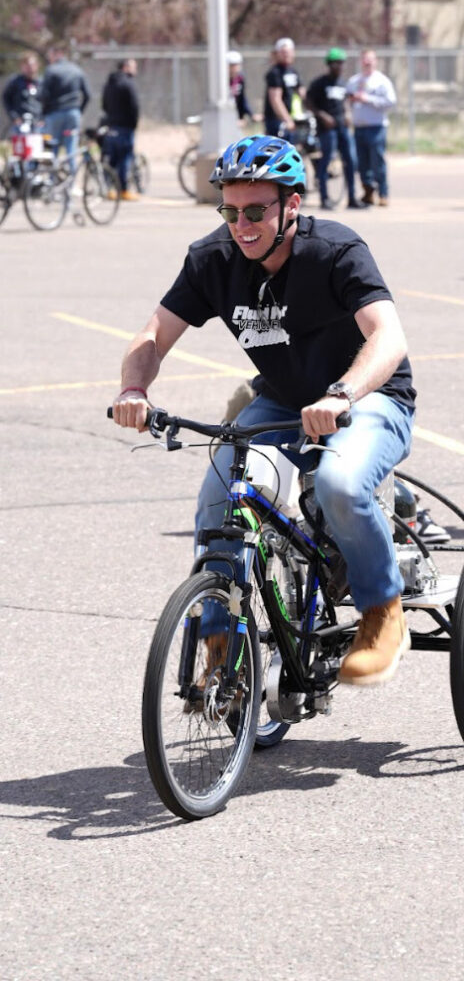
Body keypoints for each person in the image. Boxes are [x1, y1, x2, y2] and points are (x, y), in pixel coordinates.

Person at [111, 134, 416, 686]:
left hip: (368, 398)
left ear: (292, 204)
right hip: (281, 399)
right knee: (218, 500)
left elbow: (388, 337)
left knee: (340, 486)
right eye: (230, 209)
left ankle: (382, 612)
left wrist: (340, 394)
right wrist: (134, 390)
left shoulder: (335, 251)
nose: (241, 223)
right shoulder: (213, 260)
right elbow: (153, 334)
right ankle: (221, 643)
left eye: (256, 210)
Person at [306, 47, 364, 210]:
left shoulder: (343, 83)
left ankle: (352, 197)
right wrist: (323, 116)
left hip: (342, 127)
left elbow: (345, 100)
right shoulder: (319, 83)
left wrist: (347, 113)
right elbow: (309, 103)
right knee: (326, 161)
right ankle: (324, 198)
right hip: (327, 129)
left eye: (341, 63)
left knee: (350, 161)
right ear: (329, 64)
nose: (339, 66)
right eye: (336, 63)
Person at [347, 49, 396, 207]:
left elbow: (390, 101)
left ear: (376, 61)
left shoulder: (382, 81)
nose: (367, 63)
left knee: (377, 161)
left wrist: (367, 99)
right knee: (362, 163)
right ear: (361, 61)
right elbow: (346, 100)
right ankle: (368, 192)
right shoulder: (354, 81)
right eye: (365, 60)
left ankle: (383, 193)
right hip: (359, 127)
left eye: (370, 60)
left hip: (376, 127)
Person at [39, 43, 91, 163]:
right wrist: (79, 111)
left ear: (57, 54)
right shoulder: (77, 70)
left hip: (55, 113)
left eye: (50, 55)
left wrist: (44, 113)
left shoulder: (51, 70)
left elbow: (43, 95)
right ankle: (72, 180)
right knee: (71, 148)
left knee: (53, 148)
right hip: (73, 113)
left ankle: (53, 179)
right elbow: (88, 95)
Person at [101, 58, 140, 200]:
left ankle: (109, 188)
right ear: (125, 67)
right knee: (124, 159)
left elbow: (104, 105)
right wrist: (134, 124)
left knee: (111, 159)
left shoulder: (109, 84)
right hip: (125, 127)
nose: (135, 70)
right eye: (133, 67)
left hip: (111, 126)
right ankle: (123, 190)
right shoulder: (128, 84)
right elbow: (134, 106)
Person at [263, 38, 305, 141]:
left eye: (288, 52)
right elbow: (275, 99)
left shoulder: (293, 71)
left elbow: (301, 92)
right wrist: (287, 120)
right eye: (283, 52)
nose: (286, 55)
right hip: (276, 119)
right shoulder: (275, 73)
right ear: (277, 54)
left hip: (291, 117)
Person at [2, 52, 42, 128]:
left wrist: (42, 119)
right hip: (20, 123)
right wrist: (14, 117)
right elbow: (6, 99)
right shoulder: (15, 82)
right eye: (26, 66)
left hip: (38, 123)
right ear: (22, 67)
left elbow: (47, 102)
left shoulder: (41, 82)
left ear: (37, 65)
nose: (30, 68)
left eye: (31, 65)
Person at [227, 50, 261, 124]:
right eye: (232, 65)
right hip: (226, 115)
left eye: (237, 65)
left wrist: (250, 115)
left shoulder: (240, 79)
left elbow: (242, 99)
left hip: (236, 117)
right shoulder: (222, 81)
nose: (235, 68)